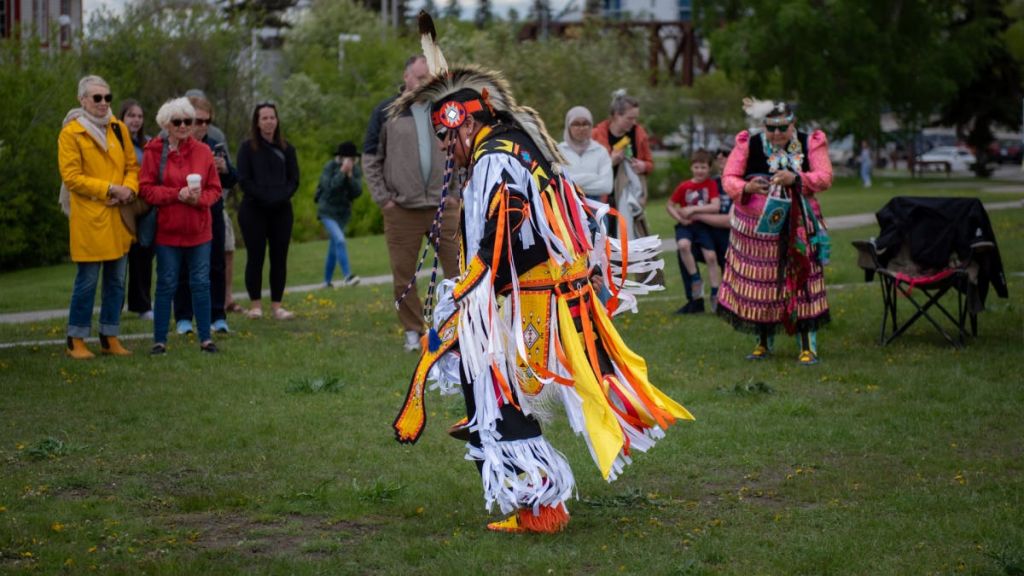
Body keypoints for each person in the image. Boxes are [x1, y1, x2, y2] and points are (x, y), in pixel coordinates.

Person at [392, 15, 693, 535]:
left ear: (466, 123)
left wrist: (473, 286)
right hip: (528, 293)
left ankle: (540, 507)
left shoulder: (495, 159)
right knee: (489, 388)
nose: (444, 147)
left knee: (498, 395)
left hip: (526, 298)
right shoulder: (511, 145)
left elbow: (504, 231)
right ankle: (525, 485)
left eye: (445, 136)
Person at [717, 98, 832, 365]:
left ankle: (808, 347)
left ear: (793, 124)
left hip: (799, 223)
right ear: (764, 126)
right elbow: (729, 177)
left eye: (783, 128)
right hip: (756, 230)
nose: (777, 133)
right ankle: (762, 343)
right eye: (771, 128)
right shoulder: (748, 143)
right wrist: (747, 187)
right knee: (761, 283)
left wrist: (797, 178)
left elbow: (825, 177)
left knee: (803, 277)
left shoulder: (810, 142)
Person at [363, 54, 461, 352]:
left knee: (459, 268)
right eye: (420, 77)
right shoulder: (386, 112)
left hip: (444, 206)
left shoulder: (446, 110)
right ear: (406, 77)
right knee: (404, 275)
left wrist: (456, 193)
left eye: (430, 77)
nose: (425, 82)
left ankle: (458, 326)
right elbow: (370, 158)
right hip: (402, 210)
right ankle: (413, 331)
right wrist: (384, 199)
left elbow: (462, 150)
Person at [58, 75, 140, 359]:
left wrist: (128, 189)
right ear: (82, 100)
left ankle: (110, 336)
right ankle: (76, 339)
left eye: (107, 97)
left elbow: (132, 166)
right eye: (97, 98)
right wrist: (108, 188)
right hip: (90, 218)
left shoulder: (118, 128)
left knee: (116, 282)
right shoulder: (71, 133)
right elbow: (72, 177)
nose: (103, 103)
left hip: (118, 217)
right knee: (87, 282)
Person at [138, 97, 222, 355]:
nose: (184, 126)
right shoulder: (154, 150)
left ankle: (206, 339)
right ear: (166, 124)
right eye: (177, 122)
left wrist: (199, 200)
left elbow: (215, 189)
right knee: (166, 283)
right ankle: (159, 341)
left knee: (201, 283)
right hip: (168, 232)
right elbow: (146, 190)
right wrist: (177, 194)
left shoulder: (203, 151)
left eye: (188, 121)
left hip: (199, 230)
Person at [172, 95, 238, 335]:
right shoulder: (175, 145)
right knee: (183, 267)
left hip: (212, 212)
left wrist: (225, 169)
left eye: (206, 121)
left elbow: (233, 179)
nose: (202, 126)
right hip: (184, 213)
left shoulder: (214, 145)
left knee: (216, 265)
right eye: (198, 121)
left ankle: (217, 316)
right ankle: (183, 317)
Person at [236, 102, 300, 320]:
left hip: (281, 211)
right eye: (264, 118)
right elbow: (244, 180)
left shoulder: (287, 149)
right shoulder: (247, 149)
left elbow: (294, 180)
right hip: (253, 210)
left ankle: (277, 306)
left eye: (272, 117)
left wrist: (279, 197)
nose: (269, 122)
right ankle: (255, 305)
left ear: (277, 120)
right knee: (255, 257)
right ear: (257, 122)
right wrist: (265, 197)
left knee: (279, 258)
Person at [592, 89, 654, 240]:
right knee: (604, 237)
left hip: (629, 197)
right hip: (603, 195)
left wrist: (643, 166)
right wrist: (611, 161)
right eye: (629, 118)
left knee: (628, 236)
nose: (633, 122)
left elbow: (650, 164)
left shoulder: (639, 134)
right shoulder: (597, 134)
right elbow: (591, 168)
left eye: (635, 118)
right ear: (616, 115)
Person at [667, 149, 721, 314]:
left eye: (703, 167)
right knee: (683, 245)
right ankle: (695, 279)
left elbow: (715, 206)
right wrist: (680, 218)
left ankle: (715, 293)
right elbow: (670, 205)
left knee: (711, 257)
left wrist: (693, 209)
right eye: (696, 167)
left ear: (709, 168)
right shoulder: (685, 186)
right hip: (686, 226)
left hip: (703, 226)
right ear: (691, 167)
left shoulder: (710, 185)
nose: (700, 171)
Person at [120, 99, 156, 321]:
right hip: (123, 204)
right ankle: (114, 306)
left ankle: (142, 305)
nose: (136, 120)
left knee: (144, 254)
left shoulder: (148, 143)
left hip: (146, 205)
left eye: (139, 116)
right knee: (119, 256)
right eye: (131, 115)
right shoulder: (114, 142)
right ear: (122, 118)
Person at [316, 141, 363, 288]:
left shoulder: (355, 170)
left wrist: (349, 176)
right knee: (340, 240)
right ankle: (348, 276)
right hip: (327, 211)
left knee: (334, 247)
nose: (351, 161)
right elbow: (329, 188)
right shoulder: (330, 167)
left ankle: (327, 282)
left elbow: (357, 192)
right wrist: (342, 172)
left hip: (343, 214)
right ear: (341, 158)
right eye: (348, 158)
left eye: (353, 159)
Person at [557, 106, 612, 202]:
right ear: (568, 127)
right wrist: (592, 177)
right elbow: (558, 182)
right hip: (566, 206)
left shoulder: (600, 151)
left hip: (595, 208)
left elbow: (606, 187)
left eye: (585, 124)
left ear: (591, 126)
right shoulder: (558, 151)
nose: (581, 128)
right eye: (576, 124)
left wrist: (570, 181)